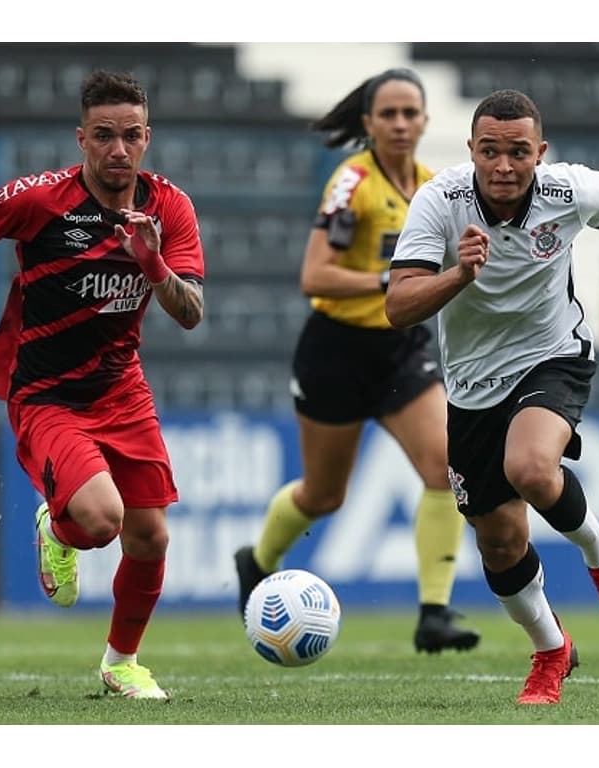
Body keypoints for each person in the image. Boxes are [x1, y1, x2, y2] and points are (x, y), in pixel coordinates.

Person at [0, 70, 205, 700]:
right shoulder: (42, 199)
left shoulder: (168, 209)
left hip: (122, 389)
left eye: (131, 136)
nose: (118, 150)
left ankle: (121, 663)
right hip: (47, 394)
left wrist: (152, 262)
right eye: (103, 136)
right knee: (102, 521)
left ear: (147, 138)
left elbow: (190, 314)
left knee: (151, 534)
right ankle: (59, 528)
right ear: (81, 139)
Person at [385, 89, 599, 704]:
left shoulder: (570, 190)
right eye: (490, 152)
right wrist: (458, 273)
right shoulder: (440, 201)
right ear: (471, 151)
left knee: (531, 467)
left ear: (541, 153)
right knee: (499, 542)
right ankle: (551, 650)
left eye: (518, 152)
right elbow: (398, 306)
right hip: (473, 386)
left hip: (551, 354)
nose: (503, 166)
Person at [233, 68, 480, 654]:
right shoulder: (352, 183)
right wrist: (388, 279)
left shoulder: (432, 187)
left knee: (445, 466)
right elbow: (314, 275)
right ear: (367, 123)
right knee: (324, 496)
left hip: (401, 350)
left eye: (409, 113)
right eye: (387, 114)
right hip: (336, 351)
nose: (399, 123)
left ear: (424, 120)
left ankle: (434, 615)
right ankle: (257, 560)